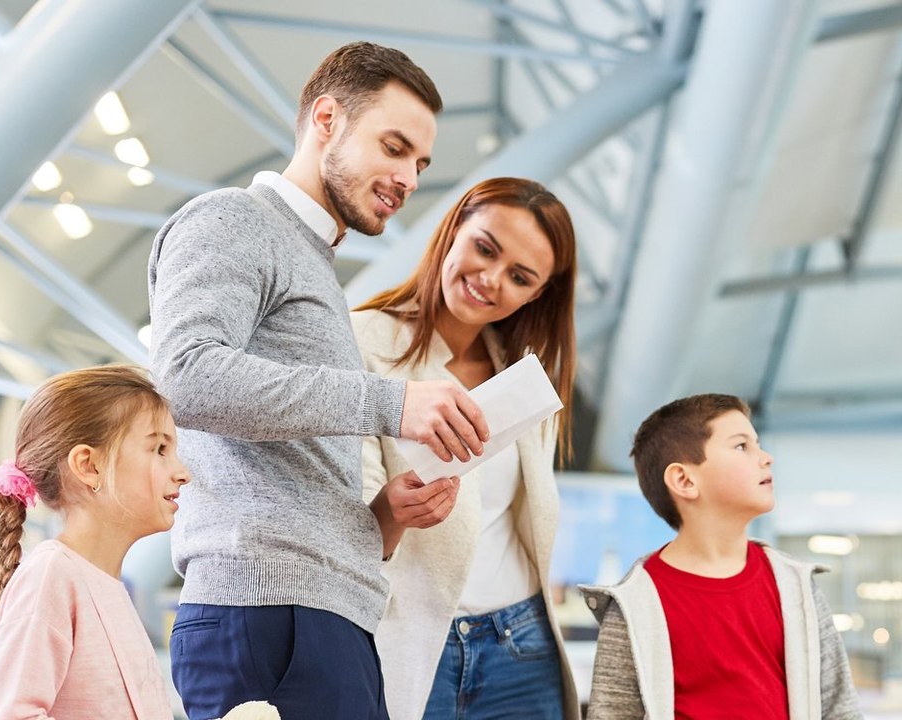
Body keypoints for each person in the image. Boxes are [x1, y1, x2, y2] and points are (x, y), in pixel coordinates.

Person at [147, 42, 489, 720]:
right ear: (325, 120)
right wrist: (390, 404)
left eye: (420, 164)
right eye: (393, 148)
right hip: (269, 614)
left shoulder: (316, 270)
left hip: (324, 616)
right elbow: (185, 376)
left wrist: (381, 519)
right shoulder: (235, 220)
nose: (409, 178)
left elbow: (287, 469)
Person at [351, 176, 581, 720]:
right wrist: (389, 513)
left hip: (521, 646)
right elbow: (338, 528)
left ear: (536, 294)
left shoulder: (526, 377)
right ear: (453, 229)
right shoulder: (358, 342)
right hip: (408, 641)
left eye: (519, 276)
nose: (490, 279)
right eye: (485, 248)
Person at [580, 394, 863, 719]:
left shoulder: (797, 587)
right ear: (684, 480)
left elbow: (840, 707)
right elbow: (612, 713)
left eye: (757, 444)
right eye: (742, 446)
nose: (766, 457)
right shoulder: (634, 605)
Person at [0, 365, 191, 719]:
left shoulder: (106, 587)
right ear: (89, 466)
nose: (183, 472)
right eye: (159, 449)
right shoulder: (52, 576)